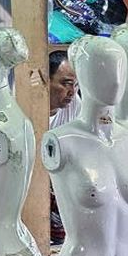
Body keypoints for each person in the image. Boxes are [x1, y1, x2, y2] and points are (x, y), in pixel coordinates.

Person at [49, 51, 79, 244]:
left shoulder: (74, 105)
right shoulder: (30, 109)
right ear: (46, 80)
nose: (72, 92)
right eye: (66, 84)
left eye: (76, 86)